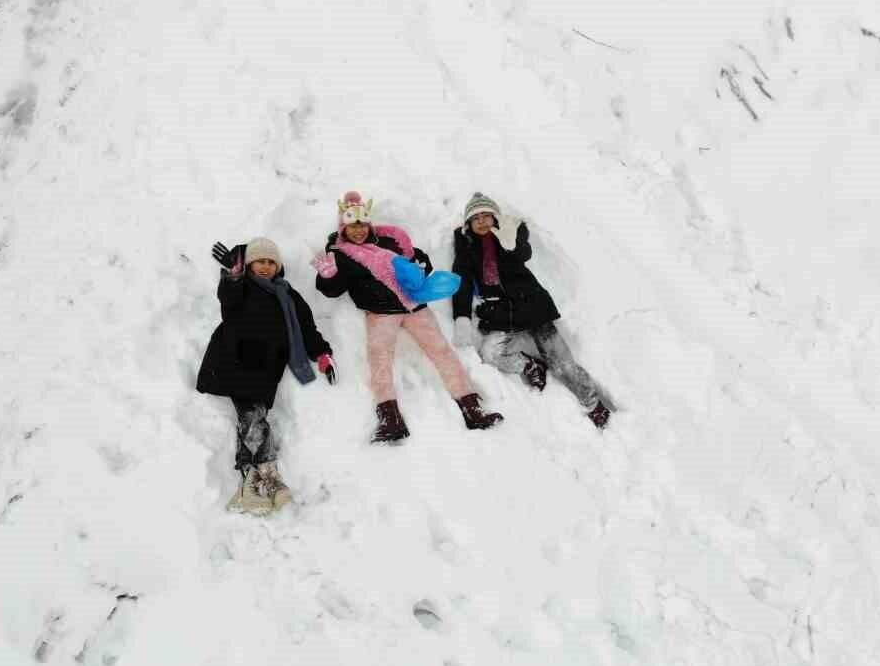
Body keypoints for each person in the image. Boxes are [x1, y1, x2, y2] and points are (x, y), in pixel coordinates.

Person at [312, 191, 503, 444]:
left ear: (369, 224)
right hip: (380, 314)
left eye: (362, 225)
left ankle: (472, 407)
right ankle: (390, 419)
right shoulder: (342, 254)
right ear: (343, 228)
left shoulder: (390, 241)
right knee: (380, 360)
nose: (358, 231)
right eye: (352, 226)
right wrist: (327, 275)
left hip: (414, 306)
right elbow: (333, 290)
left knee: (442, 351)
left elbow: (418, 259)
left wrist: (421, 265)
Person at [450, 193, 613, 429]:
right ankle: (530, 366)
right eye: (477, 219)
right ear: (469, 224)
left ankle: (593, 405)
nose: (483, 222)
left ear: (496, 217)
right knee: (490, 355)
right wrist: (461, 317)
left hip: (533, 305)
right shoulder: (466, 248)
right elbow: (462, 283)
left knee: (562, 362)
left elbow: (523, 255)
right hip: (501, 313)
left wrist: (511, 243)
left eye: (487, 216)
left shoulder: (511, 232)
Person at [197, 237, 336, 513]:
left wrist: (321, 354)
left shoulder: (287, 294)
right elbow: (228, 303)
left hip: (266, 367)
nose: (265, 266)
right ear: (249, 264)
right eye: (260, 261)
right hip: (235, 359)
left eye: (271, 262)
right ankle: (256, 477)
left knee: (256, 415)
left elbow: (306, 327)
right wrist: (233, 278)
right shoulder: (243, 287)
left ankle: (260, 477)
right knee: (252, 416)